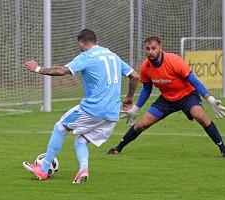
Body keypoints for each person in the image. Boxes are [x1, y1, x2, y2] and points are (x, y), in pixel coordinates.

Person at [22, 29, 139, 184]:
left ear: (81, 44)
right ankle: (83, 170)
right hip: (112, 113)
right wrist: (129, 98)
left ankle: (43, 169)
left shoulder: (87, 56)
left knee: (60, 127)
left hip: (93, 108)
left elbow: (61, 70)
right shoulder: (113, 55)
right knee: (81, 141)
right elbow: (135, 76)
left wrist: (37, 69)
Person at [105, 36, 225, 158]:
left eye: (153, 48)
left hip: (187, 96)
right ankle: (117, 149)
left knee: (199, 116)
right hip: (166, 99)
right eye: (148, 49)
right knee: (141, 125)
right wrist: (135, 110)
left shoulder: (174, 61)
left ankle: (224, 150)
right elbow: (146, 90)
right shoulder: (146, 66)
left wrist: (210, 99)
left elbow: (194, 81)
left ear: (160, 48)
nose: (150, 52)